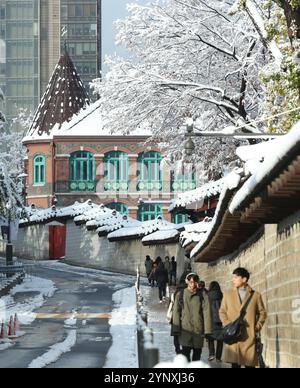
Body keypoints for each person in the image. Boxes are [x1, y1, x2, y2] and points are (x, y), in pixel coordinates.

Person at [219, 267, 267, 368]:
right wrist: (228, 324)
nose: (233, 280)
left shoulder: (255, 295)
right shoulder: (227, 294)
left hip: (248, 336)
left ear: (244, 279)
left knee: (250, 364)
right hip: (233, 335)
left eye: (236, 277)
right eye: (233, 277)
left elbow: (262, 313)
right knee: (234, 365)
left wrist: (257, 326)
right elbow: (222, 311)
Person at [172, 273, 212, 362]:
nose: (192, 285)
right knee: (185, 356)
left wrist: (208, 330)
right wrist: (175, 329)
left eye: (194, 282)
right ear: (187, 281)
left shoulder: (203, 295)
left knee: (197, 357)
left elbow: (207, 312)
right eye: (190, 282)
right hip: (185, 330)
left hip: (198, 330)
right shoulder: (181, 294)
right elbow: (176, 313)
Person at [207, 281, 223, 362]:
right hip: (220, 320)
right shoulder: (221, 295)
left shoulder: (207, 296)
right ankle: (218, 357)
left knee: (210, 338)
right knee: (220, 339)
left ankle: (211, 354)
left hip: (210, 319)